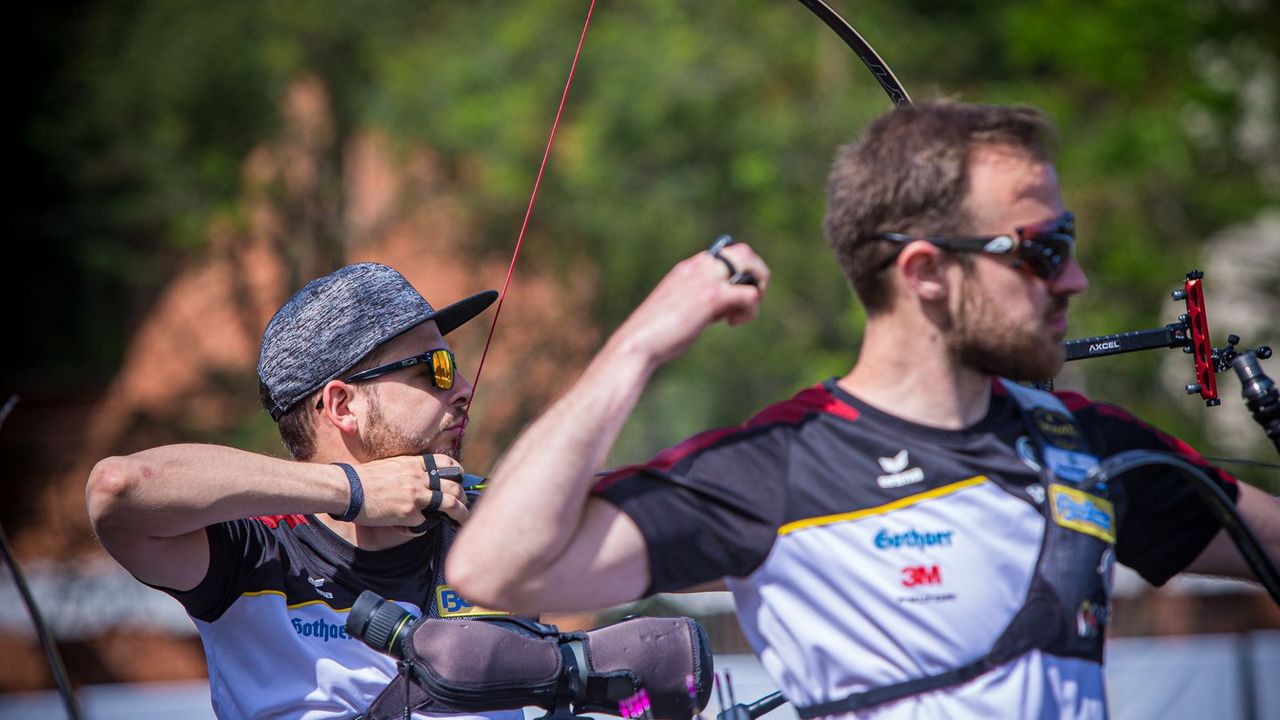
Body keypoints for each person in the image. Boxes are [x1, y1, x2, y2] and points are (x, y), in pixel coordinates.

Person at [447, 102, 1280, 718]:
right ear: (924, 271)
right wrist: (640, 344)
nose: (1074, 281)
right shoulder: (776, 466)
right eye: (1041, 251)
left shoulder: (1087, 446)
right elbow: (494, 569)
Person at [86, 263, 521, 720]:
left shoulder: (488, 520)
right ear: (342, 405)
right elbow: (118, 491)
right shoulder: (256, 554)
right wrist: (352, 490)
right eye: (437, 369)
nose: (465, 389)